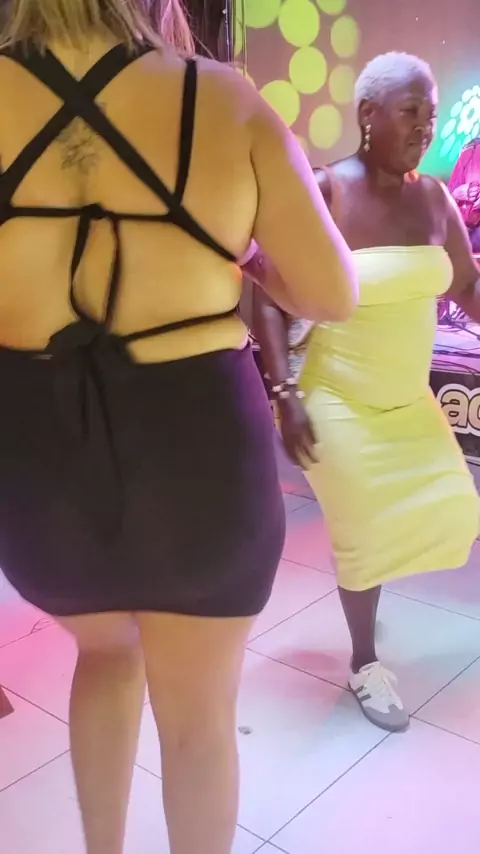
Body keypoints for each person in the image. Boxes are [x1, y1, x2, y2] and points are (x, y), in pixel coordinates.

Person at [0, 1, 357, 852]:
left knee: (103, 654)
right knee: (198, 715)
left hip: (41, 453)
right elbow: (330, 292)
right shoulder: (224, 98)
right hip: (201, 451)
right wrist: (246, 255)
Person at [246, 51, 480, 734]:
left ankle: (368, 618)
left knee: (455, 506)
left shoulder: (433, 197)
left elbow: (467, 284)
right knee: (364, 530)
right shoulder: (326, 192)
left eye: (430, 115)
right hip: (334, 398)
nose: (425, 127)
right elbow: (267, 291)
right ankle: (364, 663)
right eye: (411, 112)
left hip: (407, 400)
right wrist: (283, 392)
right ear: (368, 114)